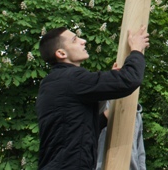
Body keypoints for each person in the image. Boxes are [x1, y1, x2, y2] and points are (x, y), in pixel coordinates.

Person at [36, 25, 149, 170]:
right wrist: (136, 50)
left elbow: (73, 130)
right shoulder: (72, 79)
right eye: (74, 40)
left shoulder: (52, 83)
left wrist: (104, 118)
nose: (82, 41)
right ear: (61, 53)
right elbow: (129, 80)